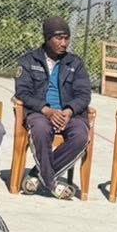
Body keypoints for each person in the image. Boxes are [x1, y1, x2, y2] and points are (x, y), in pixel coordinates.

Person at [14, 16, 92, 199]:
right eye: (59, 38)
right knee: (40, 129)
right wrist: (47, 110)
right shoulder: (29, 61)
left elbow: (84, 94)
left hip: (68, 115)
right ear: (47, 38)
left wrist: (69, 111)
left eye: (67, 38)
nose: (64, 43)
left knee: (81, 135)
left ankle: (37, 175)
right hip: (40, 113)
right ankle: (51, 183)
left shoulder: (75, 63)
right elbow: (22, 92)